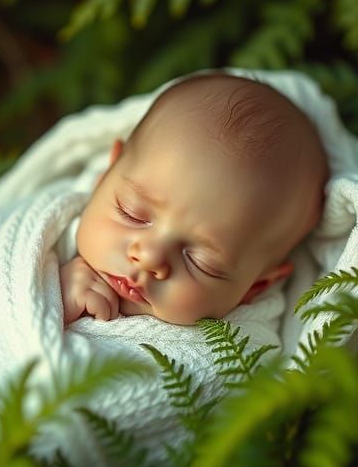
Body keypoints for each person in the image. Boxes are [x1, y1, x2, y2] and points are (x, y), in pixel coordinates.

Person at [59, 73, 330, 326]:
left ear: (255, 287)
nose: (150, 257)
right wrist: (50, 295)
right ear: (106, 174)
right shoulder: (51, 245)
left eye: (201, 263)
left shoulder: (234, 351)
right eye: (132, 213)